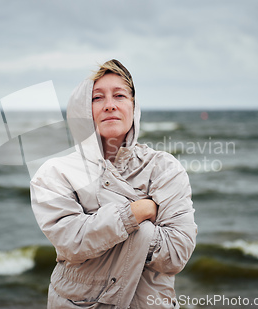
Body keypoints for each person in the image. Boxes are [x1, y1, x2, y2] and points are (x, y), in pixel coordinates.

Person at [30, 59, 197, 308]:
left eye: (119, 95)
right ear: (83, 110)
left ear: (133, 106)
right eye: (98, 98)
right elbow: (73, 242)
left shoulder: (164, 168)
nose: (110, 105)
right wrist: (138, 212)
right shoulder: (55, 173)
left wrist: (102, 230)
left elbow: (175, 254)